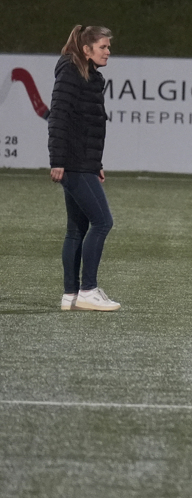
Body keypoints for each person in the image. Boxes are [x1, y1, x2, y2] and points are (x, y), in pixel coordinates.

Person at [48, 24, 120, 312]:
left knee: (76, 229)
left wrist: (96, 164)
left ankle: (70, 296)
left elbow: (87, 125)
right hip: (74, 162)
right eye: (103, 47)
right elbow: (58, 118)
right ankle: (88, 289)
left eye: (108, 47)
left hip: (83, 162)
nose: (108, 52)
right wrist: (58, 160)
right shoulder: (71, 72)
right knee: (103, 222)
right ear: (87, 49)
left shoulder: (89, 75)